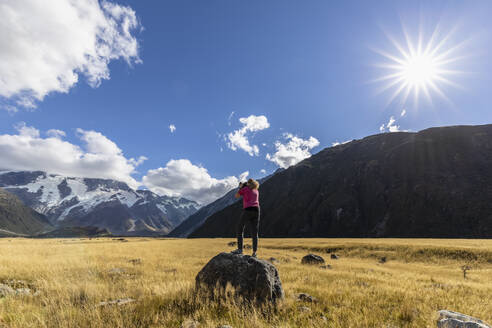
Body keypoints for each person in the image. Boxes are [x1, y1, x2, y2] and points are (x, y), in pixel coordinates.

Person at [231, 178, 260, 257]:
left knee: (240, 228)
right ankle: (254, 253)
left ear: (248, 183)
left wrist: (241, 187)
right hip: (256, 210)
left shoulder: (245, 189)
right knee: (254, 232)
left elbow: (236, 196)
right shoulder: (256, 191)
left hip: (248, 210)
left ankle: (240, 249)